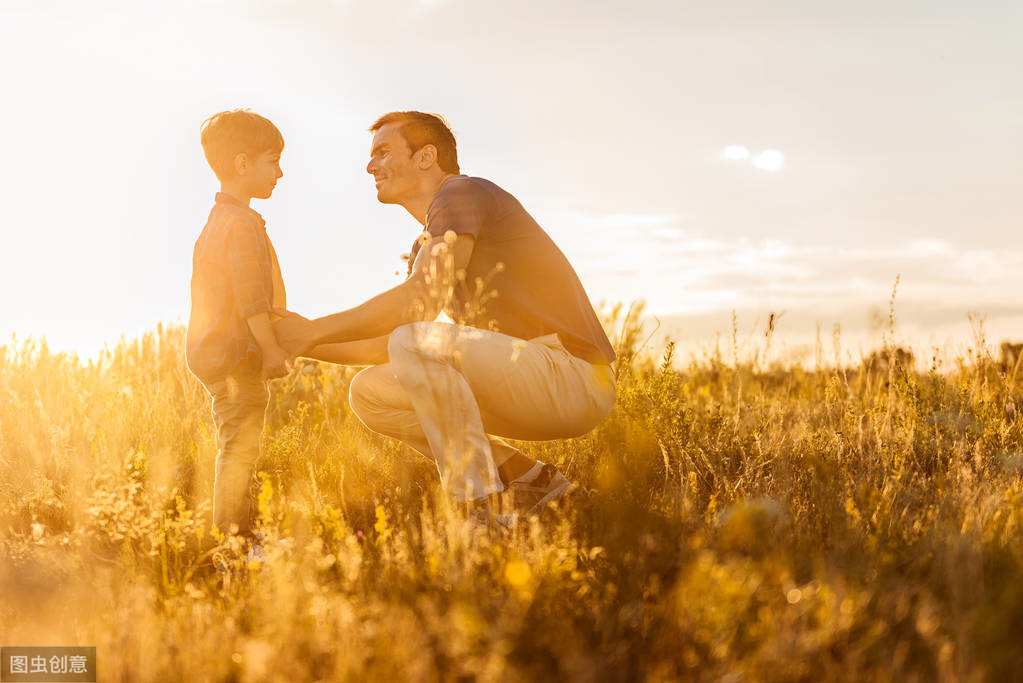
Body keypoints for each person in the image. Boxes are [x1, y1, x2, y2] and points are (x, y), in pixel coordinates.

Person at [278, 111, 616, 522]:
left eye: (383, 151)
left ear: (426, 157)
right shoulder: (428, 239)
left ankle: (479, 506)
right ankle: (535, 480)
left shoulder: (460, 193)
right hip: (523, 379)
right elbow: (392, 344)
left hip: (573, 376)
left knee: (414, 338)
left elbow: (417, 306)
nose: (370, 165)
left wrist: (311, 330)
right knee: (369, 391)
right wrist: (298, 344)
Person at [186, 109, 292, 542]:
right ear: (243, 164)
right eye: (273, 162)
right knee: (239, 447)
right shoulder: (241, 223)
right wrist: (271, 350)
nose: (280, 173)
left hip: (217, 352)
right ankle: (235, 542)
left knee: (237, 442)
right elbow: (252, 299)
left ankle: (238, 535)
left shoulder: (219, 221)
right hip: (234, 354)